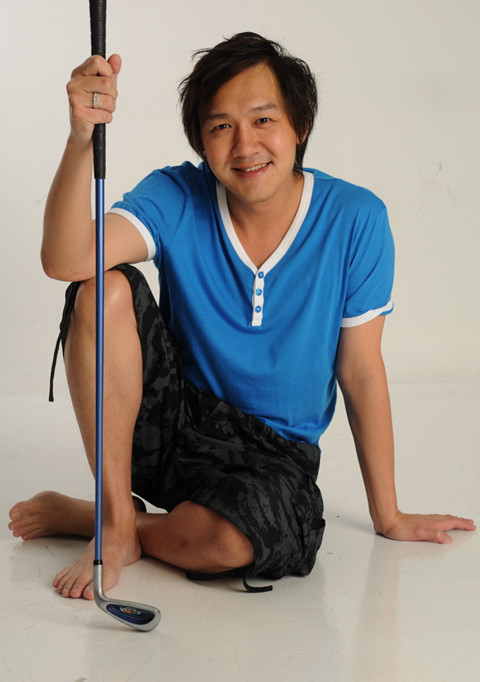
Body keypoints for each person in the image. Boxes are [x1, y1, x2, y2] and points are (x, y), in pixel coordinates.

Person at [9, 33, 475, 600]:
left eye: (263, 120)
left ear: (300, 125)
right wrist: (82, 137)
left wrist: (390, 514)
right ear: (201, 142)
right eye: (221, 126)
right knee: (99, 289)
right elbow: (66, 260)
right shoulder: (179, 195)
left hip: (275, 455)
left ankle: (112, 522)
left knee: (235, 543)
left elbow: (360, 369)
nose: (244, 145)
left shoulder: (355, 218)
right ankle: (115, 518)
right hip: (174, 426)